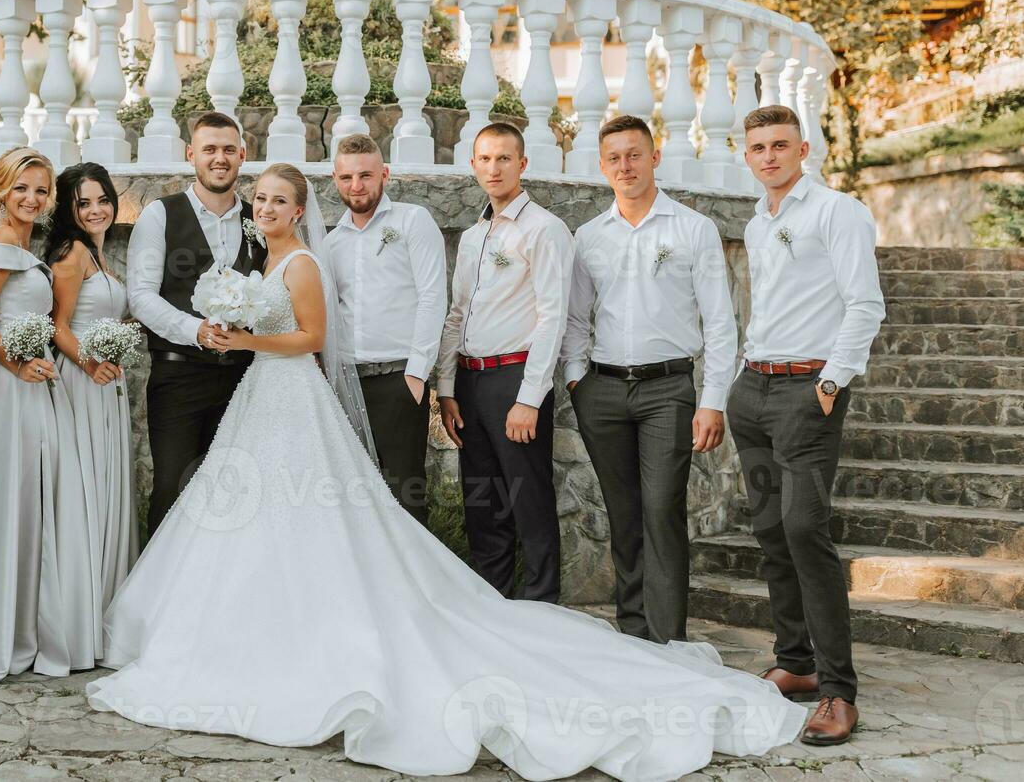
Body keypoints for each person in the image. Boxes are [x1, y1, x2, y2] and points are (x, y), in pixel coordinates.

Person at [85, 161, 805, 782]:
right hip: (261, 402)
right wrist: (228, 324)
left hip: (289, 396)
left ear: (300, 209)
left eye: (279, 199)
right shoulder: (264, 262)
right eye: (260, 200)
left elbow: (309, 338)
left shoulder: (301, 262)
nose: (267, 208)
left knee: (306, 519)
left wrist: (242, 334)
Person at [730, 105, 885, 746]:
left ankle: (838, 691)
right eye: (758, 147)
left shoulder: (836, 211)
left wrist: (831, 380)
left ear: (804, 148)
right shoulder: (758, 221)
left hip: (806, 392)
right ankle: (794, 661)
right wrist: (742, 376)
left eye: (780, 145)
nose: (769, 156)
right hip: (754, 392)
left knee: (804, 528)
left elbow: (864, 302)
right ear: (748, 155)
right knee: (770, 531)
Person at [560, 115, 738, 645]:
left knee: (661, 510)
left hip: (669, 391)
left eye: (634, 154)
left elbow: (721, 322)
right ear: (601, 166)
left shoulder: (692, 228)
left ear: (654, 157)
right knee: (624, 512)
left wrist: (712, 401)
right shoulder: (589, 236)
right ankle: (633, 631)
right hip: (605, 391)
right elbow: (574, 319)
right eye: (614, 158)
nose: (625, 166)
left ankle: (667, 640)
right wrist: (577, 381)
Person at [0, 147, 97, 682]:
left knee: (31, 501)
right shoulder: (3, 244)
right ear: (0, 193)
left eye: (40, 190)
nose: (31, 199)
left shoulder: (24, 245)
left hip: (30, 386)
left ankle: (23, 623)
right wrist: (16, 364)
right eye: (21, 189)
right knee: (9, 502)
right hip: (7, 390)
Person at [438, 123, 573, 603]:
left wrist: (529, 398)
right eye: (485, 159)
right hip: (472, 385)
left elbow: (553, 316)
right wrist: (448, 389)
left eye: (503, 159)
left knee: (528, 500)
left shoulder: (544, 230)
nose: (493, 168)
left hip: (516, 380)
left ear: (522, 164)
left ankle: (541, 606)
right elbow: (456, 315)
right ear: (473, 165)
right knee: (484, 505)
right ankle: (492, 605)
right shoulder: (474, 236)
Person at [126, 112, 266, 538]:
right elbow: (141, 295)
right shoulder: (160, 216)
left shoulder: (260, 219)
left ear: (243, 155)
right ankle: (158, 600)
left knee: (237, 493)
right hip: (179, 376)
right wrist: (196, 331)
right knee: (174, 487)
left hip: (246, 378)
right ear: (192, 155)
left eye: (228, 149)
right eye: (209, 149)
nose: (219, 158)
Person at [325, 133, 447, 525]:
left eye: (366, 175)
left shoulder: (412, 221)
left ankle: (413, 585)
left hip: (398, 380)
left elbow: (432, 297)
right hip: (347, 383)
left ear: (385, 174)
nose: (356, 186)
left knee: (405, 494)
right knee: (352, 496)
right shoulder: (331, 243)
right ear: (335, 178)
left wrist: (416, 373)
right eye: (346, 178)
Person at [47, 162, 137, 661]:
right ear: (69, 208)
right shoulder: (73, 252)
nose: (97, 209)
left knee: (104, 490)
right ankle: (76, 625)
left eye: (103, 199)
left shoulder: (100, 256)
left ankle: (103, 611)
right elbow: (58, 325)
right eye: (84, 202)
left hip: (106, 383)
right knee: (83, 493)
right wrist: (90, 363)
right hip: (82, 384)